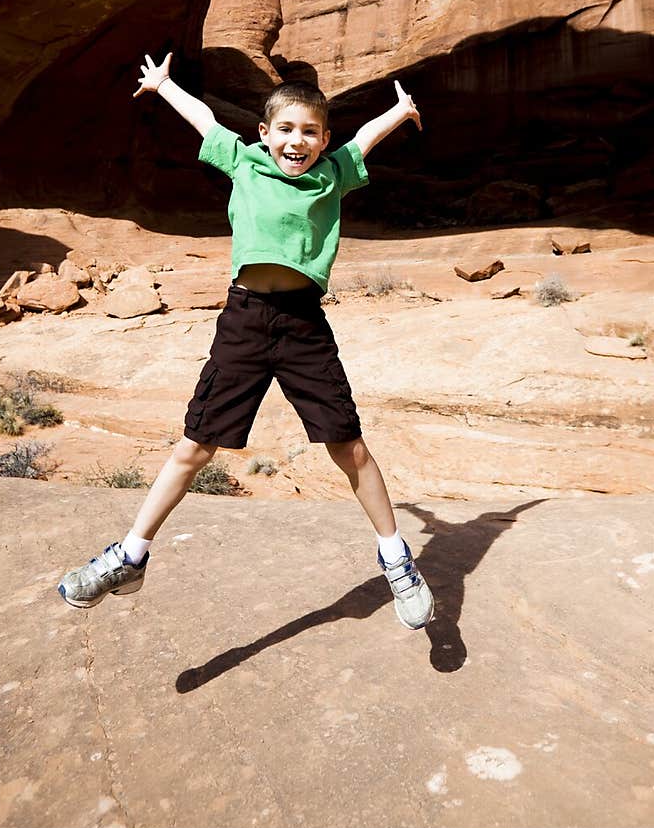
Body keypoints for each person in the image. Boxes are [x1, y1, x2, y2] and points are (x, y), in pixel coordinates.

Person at [57, 53, 434, 630]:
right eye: (285, 129)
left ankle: (396, 559)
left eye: (310, 132)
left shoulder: (333, 172)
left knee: (347, 445)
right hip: (246, 319)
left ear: (323, 139)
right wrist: (162, 85)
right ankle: (129, 555)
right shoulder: (246, 162)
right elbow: (205, 121)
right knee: (196, 445)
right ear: (265, 133)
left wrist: (399, 111)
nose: (297, 141)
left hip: (304, 323)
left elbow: (362, 141)